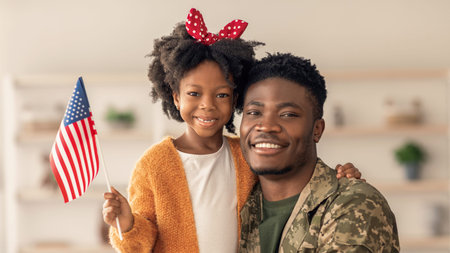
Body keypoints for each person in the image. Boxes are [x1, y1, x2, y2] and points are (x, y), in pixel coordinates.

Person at [102, 8, 362, 253]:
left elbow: (292, 181)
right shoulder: (153, 165)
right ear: (176, 97)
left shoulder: (247, 155)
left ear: (236, 98)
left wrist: (338, 176)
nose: (207, 105)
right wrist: (127, 224)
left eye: (222, 94)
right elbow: (142, 242)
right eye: (194, 93)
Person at [237, 53, 400, 253]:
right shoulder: (236, 204)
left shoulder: (352, 203)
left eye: (287, 115)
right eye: (254, 113)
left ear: (317, 130)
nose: (266, 126)